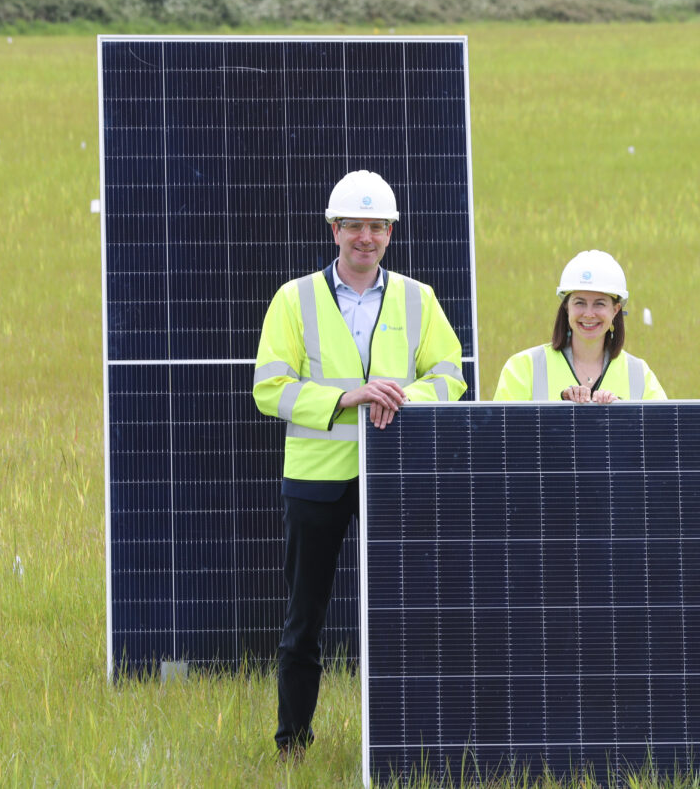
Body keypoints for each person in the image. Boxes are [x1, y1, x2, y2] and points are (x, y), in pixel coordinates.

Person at [252, 170, 467, 761]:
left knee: (405, 614)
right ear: (334, 230)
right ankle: (292, 747)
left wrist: (400, 396)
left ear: (391, 233)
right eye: (354, 226)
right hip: (317, 479)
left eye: (377, 226)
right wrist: (346, 398)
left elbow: (451, 376)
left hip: (394, 476)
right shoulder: (293, 299)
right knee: (303, 621)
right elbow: (268, 388)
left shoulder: (418, 299)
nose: (365, 237)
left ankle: (405, 745)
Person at [493, 250, 667, 402]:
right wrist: (561, 414)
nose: (589, 314)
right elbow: (502, 435)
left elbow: (663, 433)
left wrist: (619, 415)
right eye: (580, 303)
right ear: (566, 307)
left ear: (615, 310)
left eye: (599, 304)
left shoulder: (638, 374)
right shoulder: (523, 368)